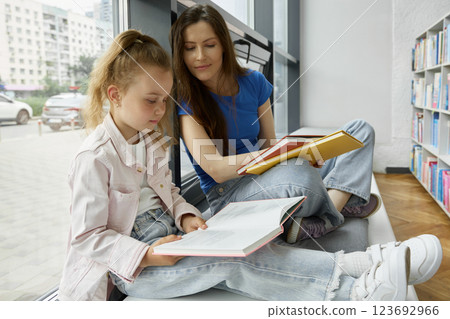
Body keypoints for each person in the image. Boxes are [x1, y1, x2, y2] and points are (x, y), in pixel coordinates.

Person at [57, 29, 442, 302]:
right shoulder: (94, 158)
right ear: (115, 94)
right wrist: (149, 254)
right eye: (151, 101)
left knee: (248, 252)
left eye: (165, 101)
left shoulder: (150, 139)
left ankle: (364, 261)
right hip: (133, 269)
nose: (161, 111)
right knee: (233, 263)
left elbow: (170, 194)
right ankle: (354, 292)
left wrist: (188, 216)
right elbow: (88, 239)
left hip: (174, 238)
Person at [171, 4, 380, 243]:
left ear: (224, 47)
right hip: (228, 193)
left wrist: (294, 153)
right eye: (190, 48)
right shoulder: (186, 99)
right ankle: (340, 206)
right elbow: (216, 169)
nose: (200, 56)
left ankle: (327, 212)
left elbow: (268, 144)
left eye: (209, 45)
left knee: (360, 132)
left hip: (268, 174)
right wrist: (283, 156)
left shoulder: (255, 82)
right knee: (302, 176)